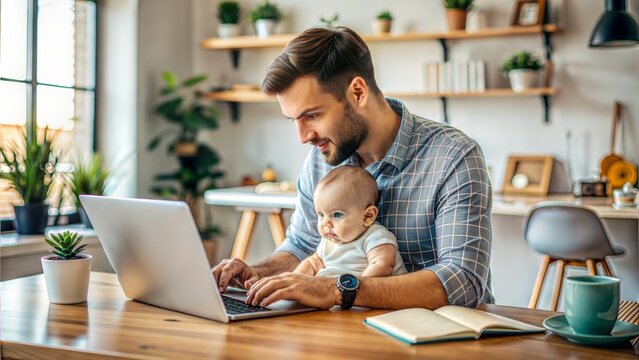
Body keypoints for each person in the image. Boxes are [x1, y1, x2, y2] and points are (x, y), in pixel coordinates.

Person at [212, 26, 493, 311]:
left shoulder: (453, 156)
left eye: (312, 115)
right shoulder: (322, 156)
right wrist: (256, 274)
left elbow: (463, 282)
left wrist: (338, 290)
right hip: (349, 332)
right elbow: (301, 246)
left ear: (358, 92)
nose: (303, 136)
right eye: (293, 120)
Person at [293, 165, 407, 278]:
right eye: (321, 214)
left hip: (361, 292)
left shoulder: (374, 237)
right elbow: (313, 262)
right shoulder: (328, 242)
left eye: (337, 215)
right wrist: (296, 278)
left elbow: (383, 265)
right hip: (328, 289)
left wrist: (356, 290)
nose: (326, 223)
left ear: (367, 216)